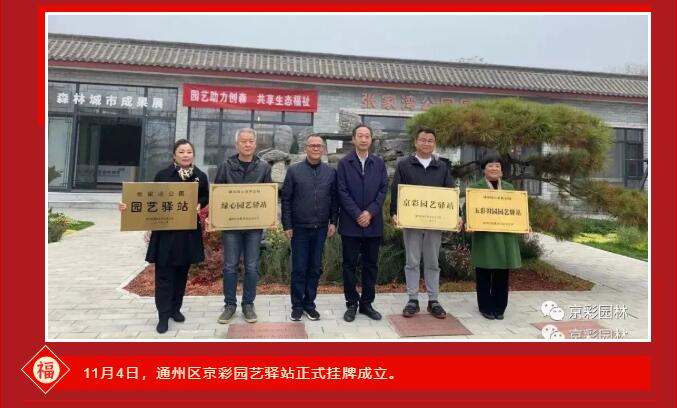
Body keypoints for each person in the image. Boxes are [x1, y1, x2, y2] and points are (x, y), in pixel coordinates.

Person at [119, 139, 209, 334]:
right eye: (181, 151)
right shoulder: (163, 175)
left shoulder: (200, 176)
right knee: (164, 276)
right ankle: (163, 315)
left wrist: (200, 204)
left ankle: (176, 309)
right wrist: (128, 207)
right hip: (166, 235)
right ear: (174, 155)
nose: (185, 155)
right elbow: (149, 199)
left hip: (187, 234)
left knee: (182, 275)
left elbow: (205, 196)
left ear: (193, 155)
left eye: (189, 151)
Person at [390, 128, 463, 319]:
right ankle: (412, 299)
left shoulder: (442, 167)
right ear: (416, 142)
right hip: (411, 221)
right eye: (423, 140)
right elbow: (396, 190)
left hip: (434, 222)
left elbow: (451, 193)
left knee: (432, 261)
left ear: (434, 144)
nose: (426, 143)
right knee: (412, 261)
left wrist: (457, 215)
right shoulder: (404, 165)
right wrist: (394, 213)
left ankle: (433, 300)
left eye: (430, 140)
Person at [214, 128, 272, 324]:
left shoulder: (263, 167)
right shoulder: (226, 166)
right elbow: (217, 195)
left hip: (254, 226)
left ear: (255, 144)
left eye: (251, 141)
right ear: (236, 144)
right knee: (230, 266)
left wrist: (269, 217)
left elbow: (268, 195)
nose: (247, 144)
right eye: (243, 141)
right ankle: (230, 305)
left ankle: (248, 304)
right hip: (231, 226)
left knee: (252, 267)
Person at [281, 134, 338, 321]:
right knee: (299, 268)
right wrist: (287, 225)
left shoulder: (330, 172)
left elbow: (334, 200)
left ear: (323, 149)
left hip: (320, 227)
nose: (315, 148)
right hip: (299, 228)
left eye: (318, 146)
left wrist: (333, 222)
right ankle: (297, 306)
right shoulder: (294, 171)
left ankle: (309, 304)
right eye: (312, 145)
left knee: (314, 268)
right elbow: (286, 200)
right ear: (305, 148)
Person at [336, 124, 388, 322]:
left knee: (370, 265)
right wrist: (358, 214)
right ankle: (351, 303)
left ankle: (367, 303)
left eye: (367, 136)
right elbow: (342, 191)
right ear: (353, 139)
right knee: (349, 265)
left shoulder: (379, 163)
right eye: (360, 136)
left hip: (373, 224)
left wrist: (370, 212)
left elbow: (383, 190)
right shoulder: (344, 163)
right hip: (351, 223)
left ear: (371, 140)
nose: (364, 139)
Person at [465, 154, 523, 320]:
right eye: (490, 165)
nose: (494, 168)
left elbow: (518, 210)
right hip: (485, 236)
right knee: (483, 271)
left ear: (502, 170)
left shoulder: (509, 188)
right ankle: (485, 306)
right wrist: (468, 222)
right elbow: (468, 209)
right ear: (484, 170)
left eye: (497, 166)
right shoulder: (475, 188)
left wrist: (524, 224)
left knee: (502, 272)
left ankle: (499, 307)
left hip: (505, 235)